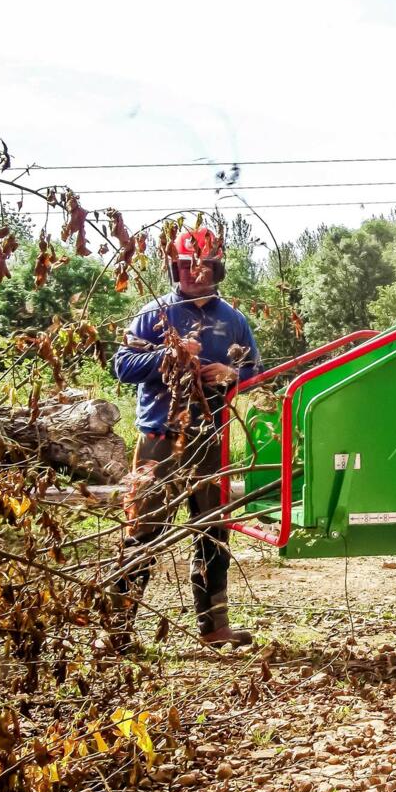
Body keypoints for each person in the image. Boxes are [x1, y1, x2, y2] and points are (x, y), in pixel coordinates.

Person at [109, 226, 261, 650]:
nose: (195, 273)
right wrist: (169, 356)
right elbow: (122, 367)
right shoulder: (152, 314)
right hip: (159, 437)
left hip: (210, 438)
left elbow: (253, 372)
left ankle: (215, 627)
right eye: (186, 266)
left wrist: (232, 375)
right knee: (142, 530)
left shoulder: (234, 321)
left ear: (217, 268)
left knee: (213, 529)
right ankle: (118, 630)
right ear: (174, 267)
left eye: (204, 265)